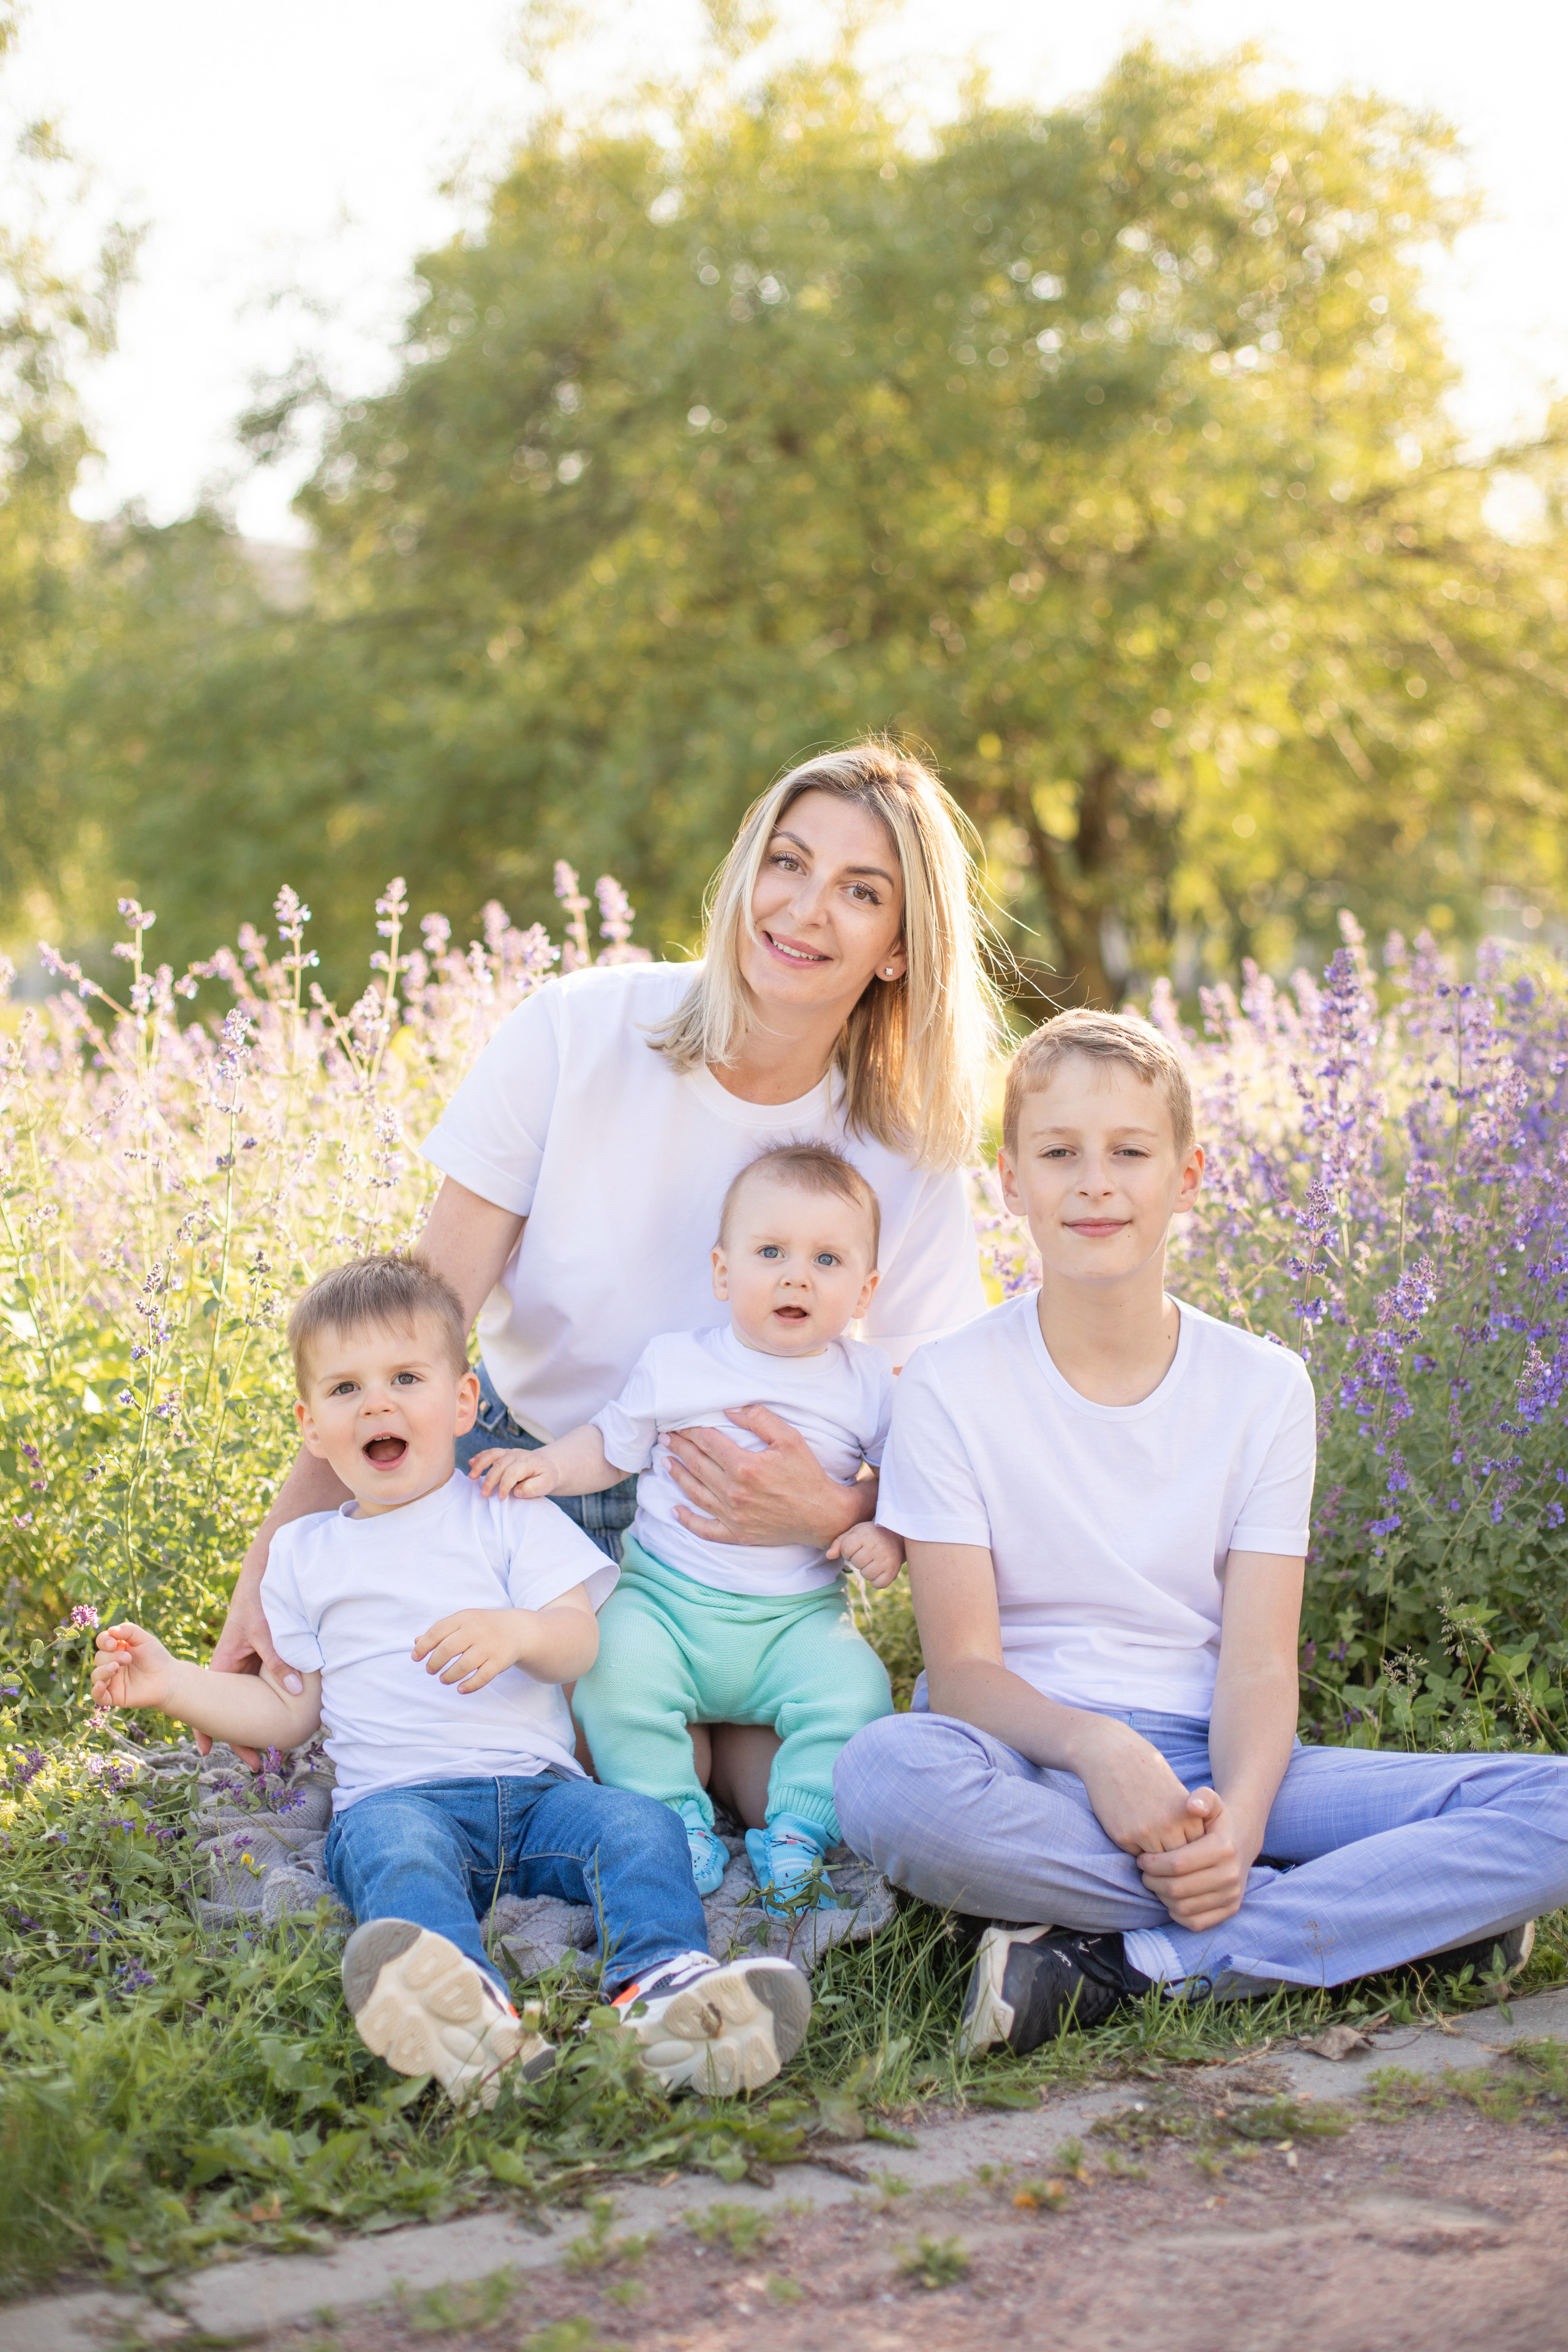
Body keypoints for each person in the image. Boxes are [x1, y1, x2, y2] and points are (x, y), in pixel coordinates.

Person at [206, 744, 998, 1820]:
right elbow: (410, 1340)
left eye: (861, 893)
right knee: (548, 1739)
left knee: (800, 1777)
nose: (805, 911)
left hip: (745, 1540)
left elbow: (938, 1416)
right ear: (745, 877)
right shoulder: (577, 1033)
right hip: (519, 1482)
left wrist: (834, 1506)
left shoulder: (907, 1144)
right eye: (788, 863)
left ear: (901, 949)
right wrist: (272, 1562)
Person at [834, 1009, 1568, 2052]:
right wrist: (1101, 1751)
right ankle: (1370, 1917)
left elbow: (1261, 1666)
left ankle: (1132, 1964)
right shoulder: (951, 1383)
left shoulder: (1265, 1387)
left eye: (1130, 1152)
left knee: (1556, 1807)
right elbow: (961, 1672)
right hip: (1029, 1759)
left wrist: (1245, 1818)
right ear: (1011, 1181)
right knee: (882, 1776)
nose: (1096, 1182)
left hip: (1221, 1758)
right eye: (1059, 1154)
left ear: (1188, 1175)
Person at [93, 1254, 811, 2106]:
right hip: (398, 1798)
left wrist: (519, 1634)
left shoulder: (508, 1514)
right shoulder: (305, 1554)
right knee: (395, 1861)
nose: (378, 1404)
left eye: (405, 1377)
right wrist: (172, 1684)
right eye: (346, 1389)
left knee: (637, 1826)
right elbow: (288, 1715)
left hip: (538, 1794)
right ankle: (466, 2011)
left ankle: (663, 1986)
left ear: (465, 1403)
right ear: (312, 1426)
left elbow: (578, 1646)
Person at [470, 1142, 901, 1911]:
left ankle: (798, 1827)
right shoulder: (678, 1364)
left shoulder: (869, 1385)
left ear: (865, 1290)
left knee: (858, 1692)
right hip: (665, 1603)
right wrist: (548, 1470)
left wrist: (883, 1530)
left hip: (796, 1622)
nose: (796, 1275)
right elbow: (611, 1442)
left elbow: (907, 1480)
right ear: (722, 1271)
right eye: (771, 1252)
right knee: (609, 1676)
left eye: (826, 1259)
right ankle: (673, 1815)